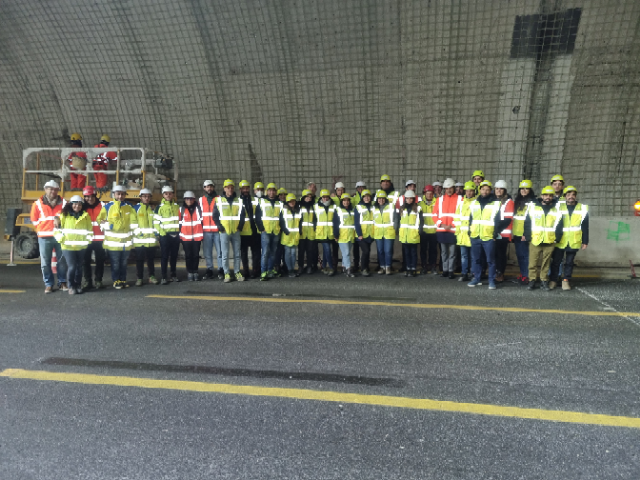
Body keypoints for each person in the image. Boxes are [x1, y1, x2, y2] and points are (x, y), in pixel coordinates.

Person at [466, 181, 510, 290]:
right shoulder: (475, 203)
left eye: (487, 189)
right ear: (479, 190)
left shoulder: (496, 203)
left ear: (490, 190)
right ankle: (476, 278)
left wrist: (495, 233)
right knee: (476, 259)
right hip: (475, 235)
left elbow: (499, 221)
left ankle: (491, 281)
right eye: (482, 189)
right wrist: (469, 231)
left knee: (490, 260)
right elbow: (471, 218)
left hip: (488, 236)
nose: (484, 191)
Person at [523, 186, 564, 291]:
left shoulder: (556, 209)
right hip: (535, 240)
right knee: (533, 262)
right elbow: (527, 223)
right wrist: (528, 237)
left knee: (546, 263)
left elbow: (560, 225)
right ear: (542, 196)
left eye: (550, 195)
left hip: (549, 240)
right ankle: (532, 280)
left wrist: (557, 238)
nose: (548, 197)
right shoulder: (533, 207)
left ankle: (543, 281)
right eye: (546, 195)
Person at [31, 180, 68, 293]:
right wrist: (41, 228)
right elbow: (34, 220)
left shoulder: (65, 203)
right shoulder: (37, 204)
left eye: (55, 189)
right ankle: (49, 284)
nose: (53, 191)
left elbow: (68, 218)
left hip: (60, 237)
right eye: (50, 189)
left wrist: (60, 221)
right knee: (45, 263)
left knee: (62, 262)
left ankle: (62, 282)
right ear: (45, 189)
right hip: (44, 236)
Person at [549, 186, 589, 291]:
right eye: (569, 195)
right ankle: (553, 280)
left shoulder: (582, 208)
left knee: (569, 262)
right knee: (556, 261)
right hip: (560, 239)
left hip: (573, 240)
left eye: (573, 195)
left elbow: (585, 226)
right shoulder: (558, 207)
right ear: (565, 196)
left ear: (575, 196)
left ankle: (566, 280)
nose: (571, 197)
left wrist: (585, 241)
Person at [98, 185, 136, 289]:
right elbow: (99, 219)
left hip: (125, 243)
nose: (120, 196)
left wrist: (134, 227)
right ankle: (116, 280)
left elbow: (133, 220)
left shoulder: (129, 206)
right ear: (114, 194)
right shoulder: (107, 206)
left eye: (122, 194)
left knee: (124, 263)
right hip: (113, 243)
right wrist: (107, 225)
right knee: (115, 263)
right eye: (118, 194)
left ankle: (123, 279)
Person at [54, 195, 93, 295]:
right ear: (71, 205)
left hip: (81, 246)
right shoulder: (64, 215)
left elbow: (89, 230)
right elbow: (56, 230)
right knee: (72, 267)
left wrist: (88, 240)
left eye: (79, 204)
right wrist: (62, 239)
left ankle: (78, 285)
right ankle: (71, 286)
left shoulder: (85, 216)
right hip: (68, 247)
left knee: (79, 267)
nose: (77, 206)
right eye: (75, 204)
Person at [214, 179, 247, 283]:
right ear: (224, 188)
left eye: (232, 187)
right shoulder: (219, 201)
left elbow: (242, 215)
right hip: (224, 232)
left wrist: (240, 227)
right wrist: (220, 227)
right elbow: (215, 216)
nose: (230, 189)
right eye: (228, 187)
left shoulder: (239, 201)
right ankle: (227, 273)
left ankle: (237, 272)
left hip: (236, 231)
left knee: (237, 254)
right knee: (225, 254)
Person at [434, 178, 462, 279]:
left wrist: (452, 225)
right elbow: (434, 215)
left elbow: (461, 214)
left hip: (453, 230)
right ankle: (445, 270)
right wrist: (441, 225)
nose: (448, 190)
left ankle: (451, 271)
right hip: (442, 230)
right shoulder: (440, 199)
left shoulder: (460, 199)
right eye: (446, 188)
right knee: (444, 253)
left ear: (454, 188)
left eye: (450, 188)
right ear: (444, 189)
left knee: (452, 253)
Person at [254, 183, 282, 281]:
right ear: (267, 191)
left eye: (273, 190)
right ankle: (263, 271)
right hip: (266, 231)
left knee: (273, 252)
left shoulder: (280, 203)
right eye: (270, 190)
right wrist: (262, 228)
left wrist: (280, 228)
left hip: (276, 231)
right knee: (265, 252)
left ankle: (270, 270)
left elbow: (282, 218)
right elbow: (257, 217)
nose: (272, 192)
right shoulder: (262, 202)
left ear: (276, 192)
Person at [132, 188, 159, 286]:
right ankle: (139, 278)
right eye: (144, 196)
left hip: (151, 240)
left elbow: (156, 222)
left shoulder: (153, 209)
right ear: (140, 198)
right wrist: (139, 233)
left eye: (148, 196)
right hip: (140, 240)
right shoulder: (135, 209)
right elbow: (133, 223)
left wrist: (156, 233)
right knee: (139, 260)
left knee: (151, 260)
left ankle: (151, 277)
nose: (147, 198)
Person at [154, 185, 181, 284]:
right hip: (165, 236)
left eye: (170, 193)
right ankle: (164, 277)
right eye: (166, 194)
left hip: (176, 235)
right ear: (163, 195)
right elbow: (156, 223)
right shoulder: (159, 208)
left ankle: (173, 275)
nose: (168, 195)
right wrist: (162, 234)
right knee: (164, 256)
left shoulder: (177, 207)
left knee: (174, 256)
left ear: (173, 194)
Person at [511, 180, 536, 285]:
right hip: (517, 234)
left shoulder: (533, 203)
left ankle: (526, 276)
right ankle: (523, 274)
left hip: (525, 235)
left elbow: (532, 220)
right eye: (522, 188)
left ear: (530, 190)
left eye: (526, 189)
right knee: (520, 256)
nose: (524, 190)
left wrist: (526, 234)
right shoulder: (518, 201)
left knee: (525, 256)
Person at [81, 186, 106, 289]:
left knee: (100, 261)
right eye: (87, 197)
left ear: (95, 196)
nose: (89, 199)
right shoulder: (81, 207)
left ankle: (98, 280)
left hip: (100, 239)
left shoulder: (103, 206)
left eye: (91, 196)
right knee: (85, 261)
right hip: (86, 239)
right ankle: (87, 281)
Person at [395, 190, 422, 277]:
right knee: (406, 253)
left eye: (411, 198)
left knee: (413, 253)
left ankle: (413, 268)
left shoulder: (418, 209)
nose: (409, 200)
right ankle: (408, 268)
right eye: (407, 198)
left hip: (414, 235)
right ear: (405, 199)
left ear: (413, 199)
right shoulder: (402, 209)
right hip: (404, 235)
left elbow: (421, 222)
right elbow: (399, 221)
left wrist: (419, 232)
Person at [199, 180, 223, 280]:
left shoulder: (220, 199)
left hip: (217, 231)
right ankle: (209, 270)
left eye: (211, 186)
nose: (209, 188)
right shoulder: (201, 200)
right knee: (207, 252)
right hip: (206, 231)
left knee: (220, 252)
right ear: (204, 188)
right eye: (207, 187)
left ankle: (221, 270)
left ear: (214, 187)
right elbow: (199, 216)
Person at [455, 181, 477, 282]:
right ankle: (464, 274)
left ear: (474, 191)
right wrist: (458, 232)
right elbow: (457, 219)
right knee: (464, 256)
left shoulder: (476, 203)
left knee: (473, 256)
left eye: (471, 191)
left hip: (473, 235)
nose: (468, 193)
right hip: (462, 235)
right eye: (467, 191)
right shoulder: (461, 203)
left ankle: (473, 274)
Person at [179, 191, 204, 281]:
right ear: (184, 200)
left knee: (196, 255)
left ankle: (195, 271)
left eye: (191, 199)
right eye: (187, 199)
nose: (189, 200)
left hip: (197, 237)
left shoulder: (198, 209)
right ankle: (190, 272)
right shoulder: (181, 210)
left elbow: (202, 222)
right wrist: (180, 237)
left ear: (194, 199)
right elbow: (179, 224)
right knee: (188, 256)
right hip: (186, 238)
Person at [493, 180, 514, 283]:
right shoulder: (493, 201)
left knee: (501, 255)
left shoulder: (509, 202)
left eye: (501, 189)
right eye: (497, 189)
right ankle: (495, 272)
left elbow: (507, 219)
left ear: (504, 190)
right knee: (495, 255)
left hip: (503, 234)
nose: (498, 191)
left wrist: (496, 231)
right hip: (493, 233)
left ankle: (500, 273)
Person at [313, 189, 337, 276]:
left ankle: (323, 267)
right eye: (324, 197)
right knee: (327, 250)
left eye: (327, 197)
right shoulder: (316, 206)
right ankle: (331, 267)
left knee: (325, 250)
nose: (325, 199)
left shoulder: (333, 206)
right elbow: (314, 219)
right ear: (321, 198)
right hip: (321, 232)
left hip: (330, 232)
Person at [239, 180, 259, 279]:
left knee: (255, 253)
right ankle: (246, 272)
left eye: (247, 188)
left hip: (254, 230)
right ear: (240, 190)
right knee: (244, 254)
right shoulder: (237, 201)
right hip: (243, 232)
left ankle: (255, 271)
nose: (246, 190)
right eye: (244, 188)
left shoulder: (255, 200)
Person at [332, 193, 356, 277]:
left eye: (348, 200)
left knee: (346, 252)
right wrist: (336, 235)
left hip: (350, 235)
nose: (346, 202)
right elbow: (335, 223)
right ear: (342, 201)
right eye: (344, 200)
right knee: (346, 253)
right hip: (342, 236)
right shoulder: (338, 210)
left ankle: (343, 266)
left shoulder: (352, 210)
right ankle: (348, 269)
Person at [372, 190, 395, 275]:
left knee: (388, 250)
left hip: (389, 232)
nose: (381, 200)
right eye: (379, 198)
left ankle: (388, 267)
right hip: (378, 233)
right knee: (380, 251)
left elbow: (395, 218)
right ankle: (382, 267)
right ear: (377, 199)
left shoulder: (391, 206)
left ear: (385, 199)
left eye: (382, 198)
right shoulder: (374, 208)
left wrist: (395, 229)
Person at [354, 189, 375, 276]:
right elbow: (356, 222)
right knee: (365, 251)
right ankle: (363, 269)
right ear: (362, 198)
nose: (366, 198)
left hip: (370, 233)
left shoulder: (373, 206)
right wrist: (359, 234)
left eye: (368, 196)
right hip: (361, 234)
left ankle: (366, 266)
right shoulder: (358, 207)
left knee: (368, 251)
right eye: (365, 196)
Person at [418, 185, 438, 274]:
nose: (429, 195)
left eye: (431, 193)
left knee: (433, 251)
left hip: (434, 231)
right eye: (427, 193)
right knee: (423, 251)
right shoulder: (420, 204)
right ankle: (424, 266)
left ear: (433, 194)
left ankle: (433, 266)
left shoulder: (437, 203)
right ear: (424, 194)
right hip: (424, 232)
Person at [280, 193, 300, 277]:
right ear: (287, 202)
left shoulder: (298, 211)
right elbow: (281, 222)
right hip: (287, 236)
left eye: (293, 201)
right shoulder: (284, 210)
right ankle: (289, 270)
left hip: (295, 236)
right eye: (290, 201)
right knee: (288, 254)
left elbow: (300, 222)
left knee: (293, 254)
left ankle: (292, 269)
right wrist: (285, 230)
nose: (291, 203)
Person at [249, 182, 265, 277]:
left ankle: (264, 269)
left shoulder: (266, 200)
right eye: (257, 189)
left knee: (265, 252)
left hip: (265, 229)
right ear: (254, 191)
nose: (259, 191)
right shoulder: (251, 200)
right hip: (254, 230)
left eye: (261, 189)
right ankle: (255, 270)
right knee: (256, 252)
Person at [298, 189, 316, 274]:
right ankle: (300, 267)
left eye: (310, 197)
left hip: (311, 232)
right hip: (302, 232)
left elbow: (316, 219)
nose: (309, 198)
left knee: (310, 251)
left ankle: (309, 267)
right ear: (303, 197)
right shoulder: (299, 207)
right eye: (307, 197)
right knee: (301, 251)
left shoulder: (314, 206)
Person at [275, 187, 290, 274]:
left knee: (285, 249)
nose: (283, 196)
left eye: (285, 195)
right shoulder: (276, 204)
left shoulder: (289, 205)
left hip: (286, 230)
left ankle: (285, 265)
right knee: (278, 249)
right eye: (281, 195)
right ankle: (277, 265)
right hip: (278, 229)